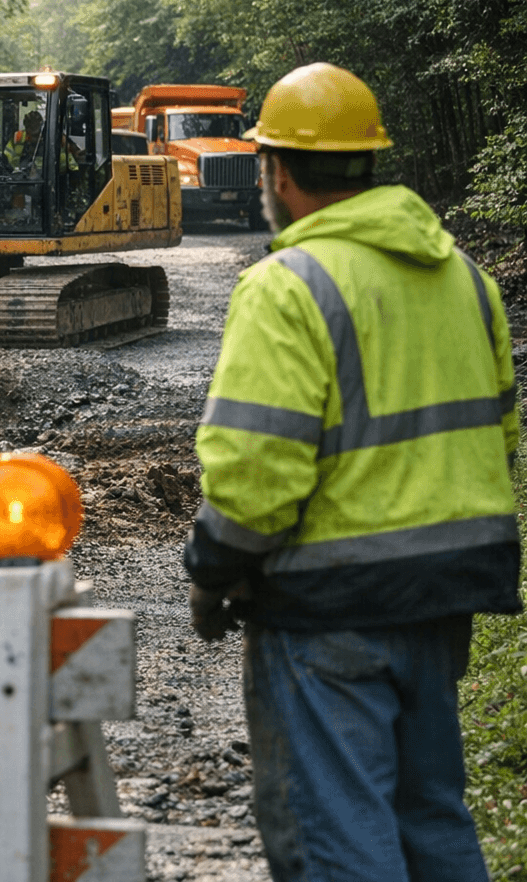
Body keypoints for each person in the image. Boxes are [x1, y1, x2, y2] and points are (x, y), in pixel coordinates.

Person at [186, 62, 520, 881]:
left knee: (337, 837)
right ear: (368, 162)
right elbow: (499, 437)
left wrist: (214, 569)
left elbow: (257, 472)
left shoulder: (287, 287)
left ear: (277, 171)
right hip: (442, 601)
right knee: (431, 818)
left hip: (325, 609)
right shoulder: (466, 281)